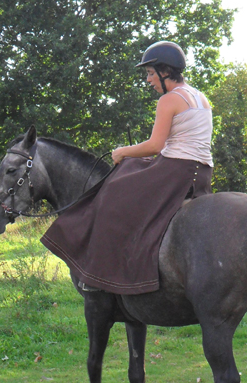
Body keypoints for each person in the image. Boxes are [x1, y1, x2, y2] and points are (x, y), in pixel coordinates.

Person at [40, 41, 214, 294]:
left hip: (175, 172)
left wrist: (122, 151)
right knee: (133, 167)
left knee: (112, 193)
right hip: (201, 175)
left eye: (151, 73)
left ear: (166, 71)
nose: (148, 80)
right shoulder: (201, 97)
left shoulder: (169, 100)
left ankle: (100, 275)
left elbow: (155, 145)